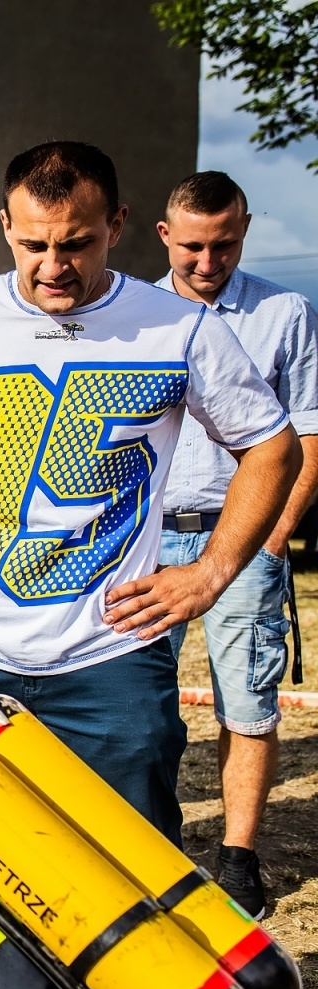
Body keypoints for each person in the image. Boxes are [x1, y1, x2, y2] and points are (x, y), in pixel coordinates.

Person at [0, 141, 300, 845]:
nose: (53, 267)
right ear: (5, 225)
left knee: (132, 862)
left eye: (77, 244)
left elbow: (273, 447)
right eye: (33, 244)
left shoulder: (181, 328)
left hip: (110, 657)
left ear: (116, 227)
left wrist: (209, 573)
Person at [154, 170, 318, 918]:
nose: (206, 261)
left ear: (244, 230)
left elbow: (307, 437)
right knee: (138, 706)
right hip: (146, 542)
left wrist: (274, 537)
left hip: (243, 535)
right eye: (191, 246)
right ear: (164, 236)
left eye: (222, 244)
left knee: (246, 703)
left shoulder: (285, 313)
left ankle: (240, 859)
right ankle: (148, 844)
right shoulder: (135, 312)